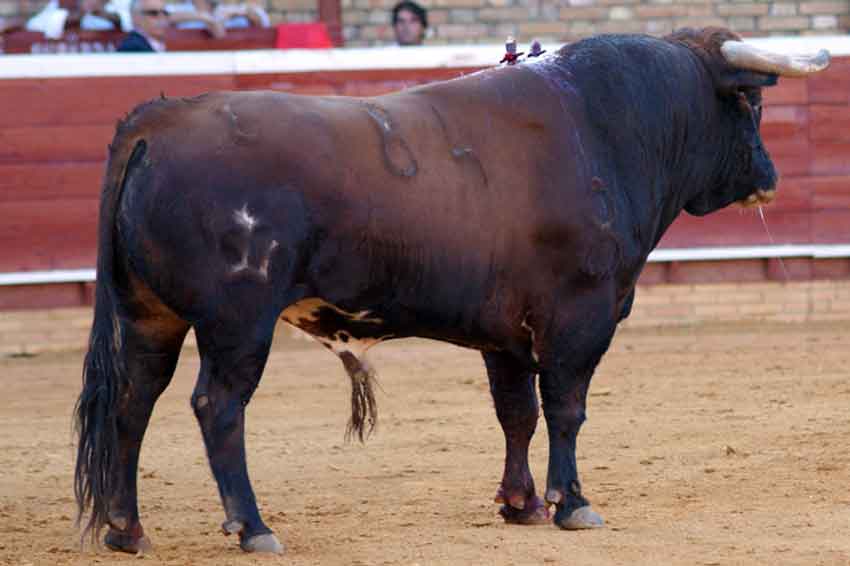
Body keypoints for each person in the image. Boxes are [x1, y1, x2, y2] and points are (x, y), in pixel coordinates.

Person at [24, 0, 130, 39]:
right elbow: (33, 25)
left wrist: (101, 13)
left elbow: (134, 23)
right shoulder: (62, 3)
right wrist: (81, 13)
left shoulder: (121, 3)